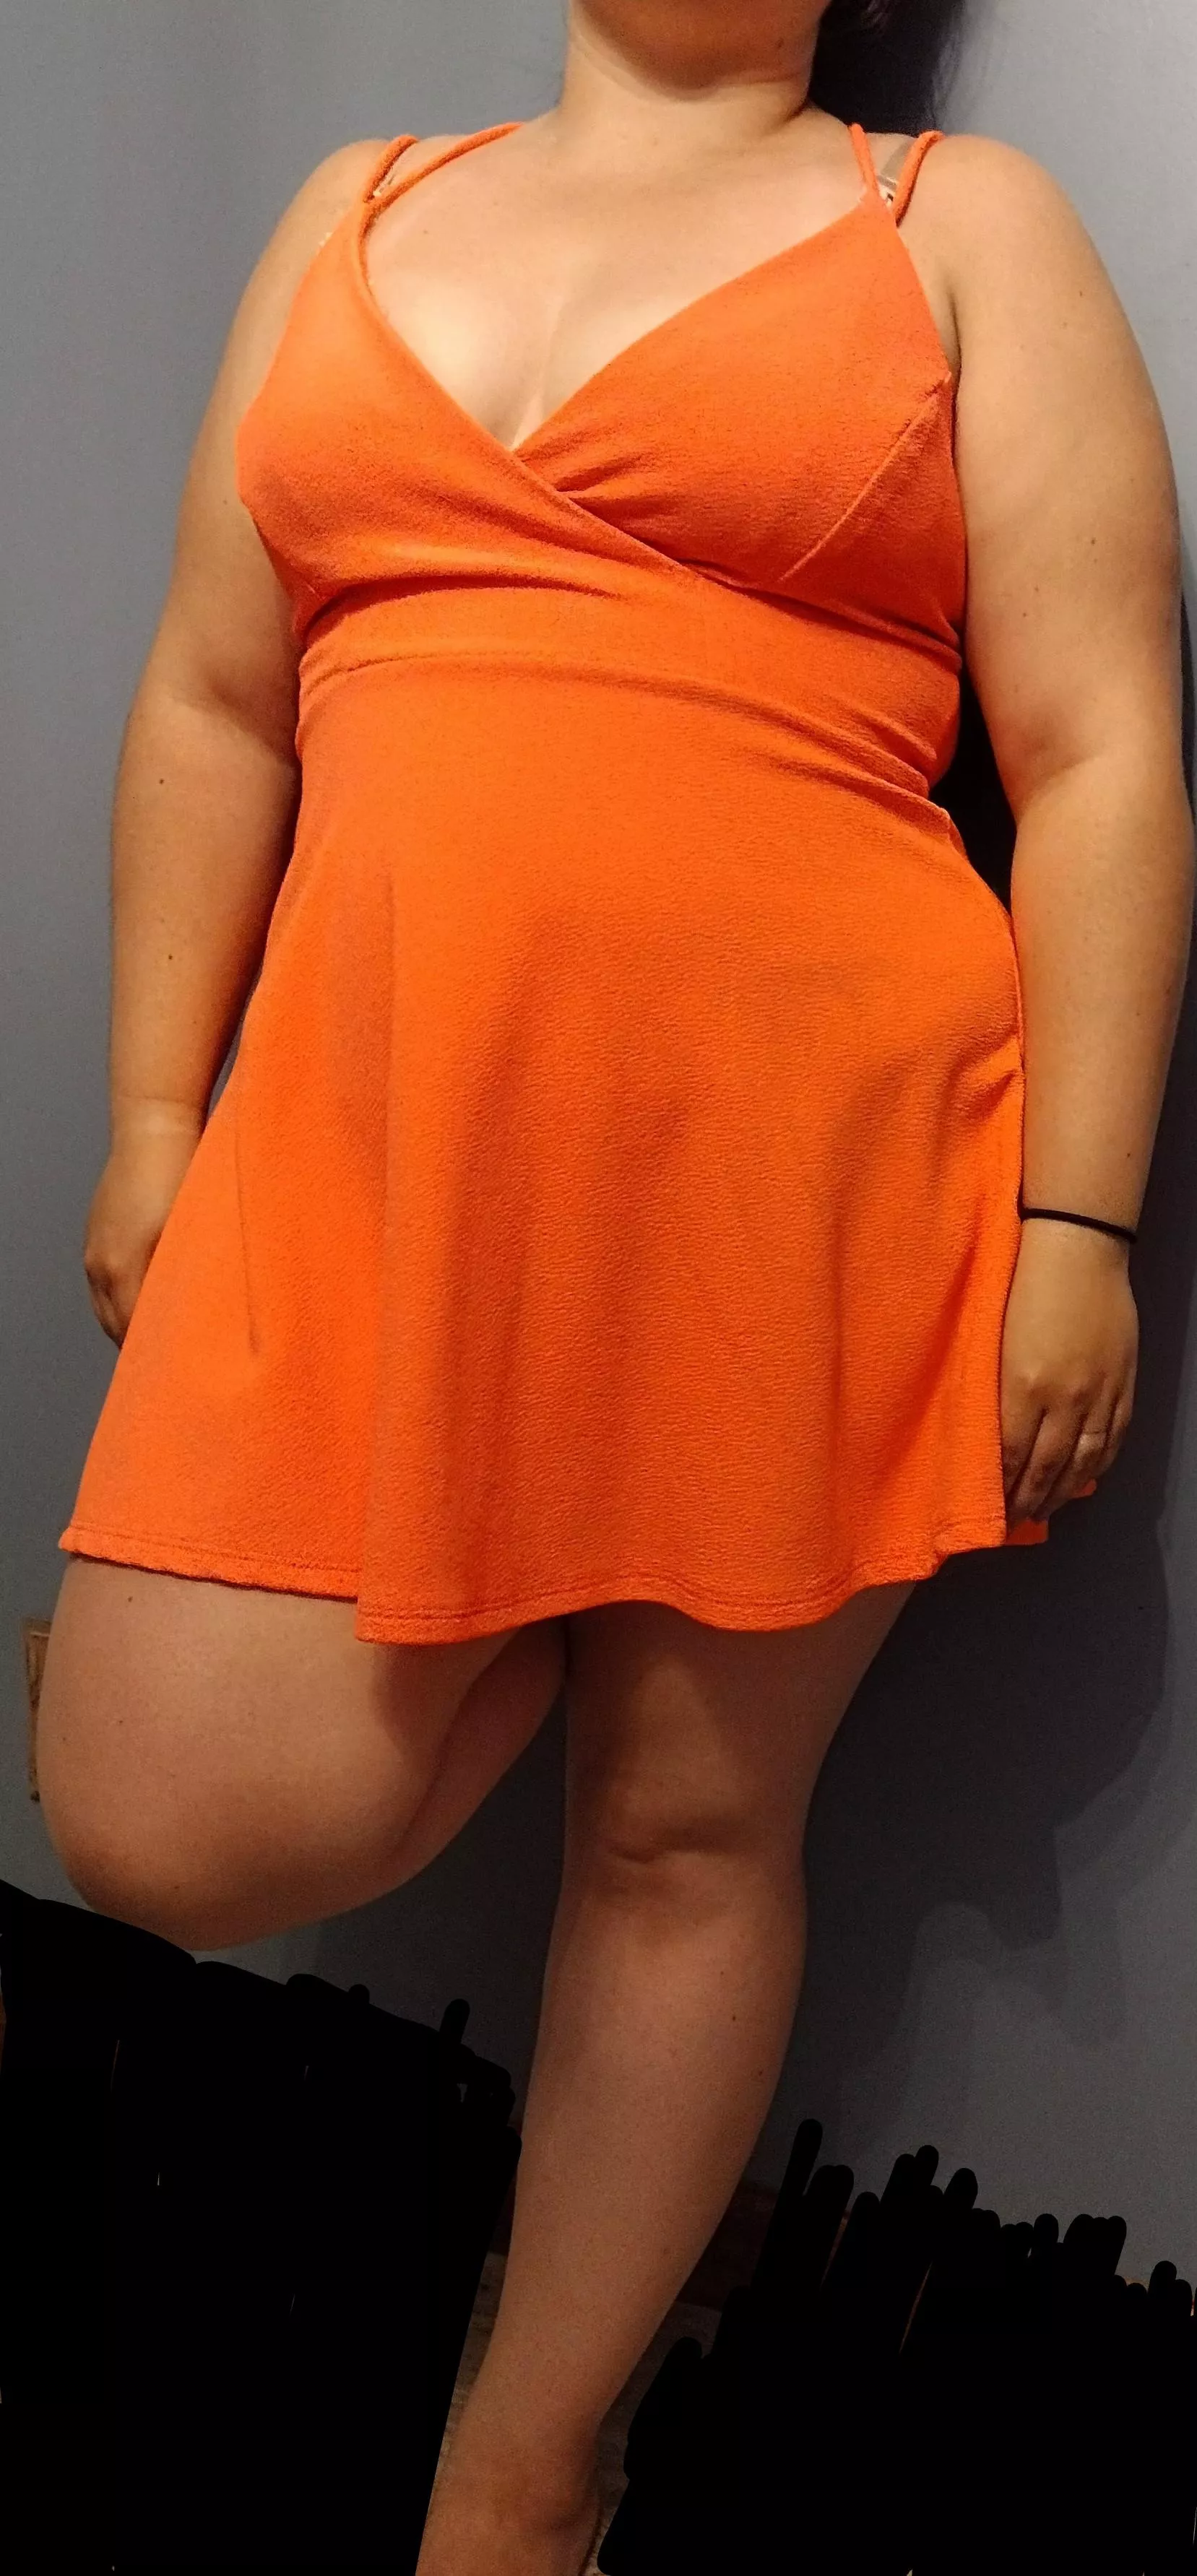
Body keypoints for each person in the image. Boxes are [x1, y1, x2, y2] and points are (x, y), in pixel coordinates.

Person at [36, 2, 1193, 2570]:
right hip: (383, 1149)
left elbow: (1105, 748)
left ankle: (529, 2468)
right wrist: (152, 1110)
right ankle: (552, 1590)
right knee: (154, 1802)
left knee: (688, 1829)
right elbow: (217, 701)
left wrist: (1078, 1225)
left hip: (803, 1158)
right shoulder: (351, 206)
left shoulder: (956, 226)